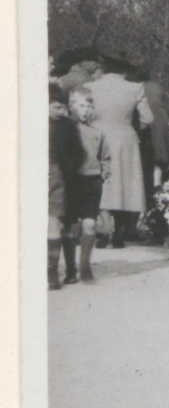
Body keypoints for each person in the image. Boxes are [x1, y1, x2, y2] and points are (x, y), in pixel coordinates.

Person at [83, 58, 149, 246]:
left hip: (98, 136)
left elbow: (85, 114)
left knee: (103, 183)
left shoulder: (90, 87)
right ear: (124, 71)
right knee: (124, 184)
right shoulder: (135, 87)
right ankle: (119, 231)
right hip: (125, 138)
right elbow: (147, 118)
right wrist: (134, 127)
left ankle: (105, 229)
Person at [62, 86, 110, 283]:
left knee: (89, 225)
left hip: (92, 181)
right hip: (71, 182)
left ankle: (85, 267)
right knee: (70, 227)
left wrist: (105, 170)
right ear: (71, 107)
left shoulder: (98, 132)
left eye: (89, 107)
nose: (86, 110)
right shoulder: (66, 130)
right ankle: (70, 269)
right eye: (82, 106)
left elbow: (106, 157)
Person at [132, 60, 169, 243]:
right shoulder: (155, 87)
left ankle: (145, 220)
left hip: (147, 135)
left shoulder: (135, 89)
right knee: (157, 176)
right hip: (161, 133)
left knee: (145, 179)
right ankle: (157, 217)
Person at [49, 83, 85, 290]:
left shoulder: (68, 126)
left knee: (62, 224)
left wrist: (67, 172)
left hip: (63, 179)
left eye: (63, 107)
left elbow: (77, 153)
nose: (61, 111)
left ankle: (63, 270)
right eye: (56, 107)